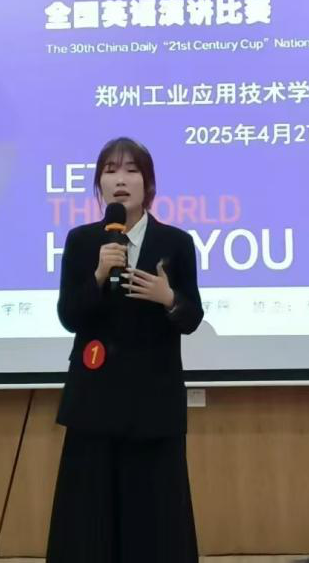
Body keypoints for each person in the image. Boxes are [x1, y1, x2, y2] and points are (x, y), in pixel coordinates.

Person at [46, 136, 203, 563]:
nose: (121, 180)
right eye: (111, 171)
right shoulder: (83, 242)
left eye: (132, 171)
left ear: (148, 184)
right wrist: (98, 274)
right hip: (95, 400)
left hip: (154, 401)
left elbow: (191, 318)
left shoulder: (175, 243)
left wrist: (167, 298)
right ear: (99, 184)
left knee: (156, 516)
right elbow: (69, 316)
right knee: (89, 516)